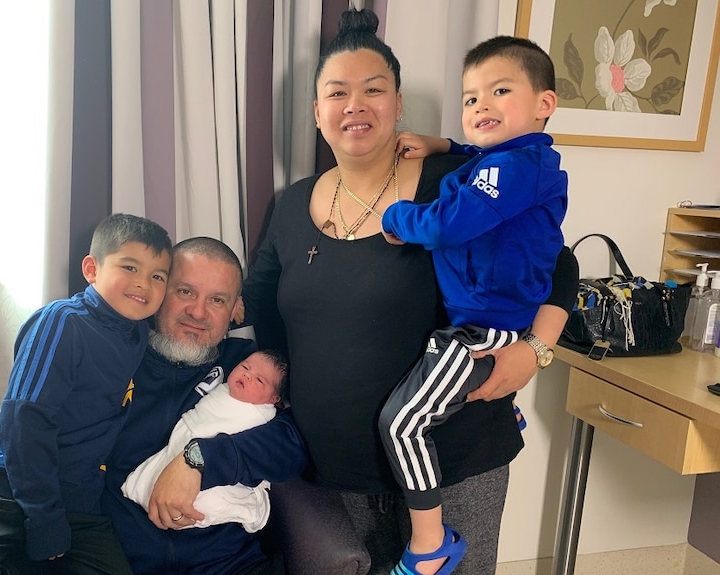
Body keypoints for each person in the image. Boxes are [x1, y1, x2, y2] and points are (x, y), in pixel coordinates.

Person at [240, 8, 578, 575]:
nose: (355, 105)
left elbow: (558, 263)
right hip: (333, 471)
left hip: (455, 463)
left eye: (374, 90)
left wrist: (534, 351)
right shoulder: (292, 205)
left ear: (398, 105)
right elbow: (263, 306)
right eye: (337, 93)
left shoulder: (453, 180)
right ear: (318, 112)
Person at [0, 237, 308, 575]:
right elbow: (14, 420)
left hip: (224, 562)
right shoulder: (106, 352)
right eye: (185, 291)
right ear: (160, 291)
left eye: (217, 300)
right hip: (121, 556)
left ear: (236, 309)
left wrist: (197, 458)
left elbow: (293, 441)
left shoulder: (247, 368)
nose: (198, 312)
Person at [377, 36, 567, 575]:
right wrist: (444, 145)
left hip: (486, 328)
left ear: (544, 105)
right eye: (469, 97)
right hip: (482, 321)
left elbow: (447, 222)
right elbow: (483, 164)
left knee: (403, 425)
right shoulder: (509, 162)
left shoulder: (517, 169)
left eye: (499, 91)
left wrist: (397, 218)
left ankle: (430, 543)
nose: (480, 105)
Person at [0, 213, 172, 574]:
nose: (143, 284)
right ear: (91, 269)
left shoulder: (137, 336)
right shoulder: (63, 321)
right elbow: (25, 419)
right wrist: (44, 519)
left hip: (80, 502)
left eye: (157, 276)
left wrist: (241, 308)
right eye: (129, 267)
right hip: (3, 488)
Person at [121, 349, 287, 533]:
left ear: (274, 399)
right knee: (150, 480)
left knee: (207, 501)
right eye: (245, 367)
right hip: (183, 441)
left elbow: (267, 449)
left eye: (259, 380)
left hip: (219, 468)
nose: (247, 375)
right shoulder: (222, 389)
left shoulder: (263, 417)